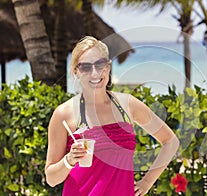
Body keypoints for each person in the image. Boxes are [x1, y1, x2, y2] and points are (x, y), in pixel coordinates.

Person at [45, 36, 180, 196]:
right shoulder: (64, 114)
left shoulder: (128, 105)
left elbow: (170, 141)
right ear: (76, 72)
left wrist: (147, 182)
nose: (94, 73)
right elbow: (52, 179)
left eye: (100, 64)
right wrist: (69, 160)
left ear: (108, 68)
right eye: (86, 67)